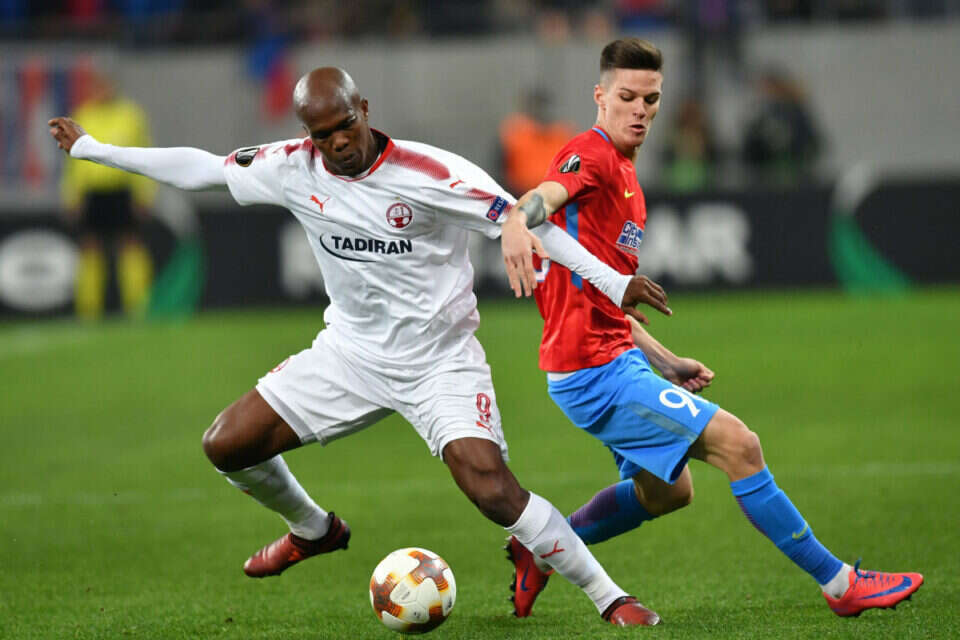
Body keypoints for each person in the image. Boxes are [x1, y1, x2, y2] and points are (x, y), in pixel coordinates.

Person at [48, 67, 674, 627]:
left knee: (493, 491)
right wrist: (94, 150)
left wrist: (613, 282)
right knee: (226, 444)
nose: (338, 142)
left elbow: (528, 221)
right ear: (308, 134)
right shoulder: (291, 165)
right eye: (322, 134)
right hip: (349, 356)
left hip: (440, 361)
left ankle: (610, 598)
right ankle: (313, 529)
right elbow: (203, 169)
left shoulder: (432, 174)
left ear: (365, 110)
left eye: (345, 125)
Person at [500, 38, 923, 622]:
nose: (640, 110)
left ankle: (541, 548)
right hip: (593, 374)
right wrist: (517, 219)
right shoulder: (589, 156)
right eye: (627, 97)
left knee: (667, 492)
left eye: (651, 99)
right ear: (600, 97)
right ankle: (840, 583)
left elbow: (597, 299)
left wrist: (663, 358)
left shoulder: (625, 173)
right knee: (740, 445)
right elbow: (544, 197)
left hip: (613, 358)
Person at [60, 67, 155, 320]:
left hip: (122, 190)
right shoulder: (83, 116)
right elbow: (73, 162)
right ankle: (89, 311)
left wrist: (144, 194)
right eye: (97, 86)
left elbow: (144, 155)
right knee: (90, 248)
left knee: (130, 245)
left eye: (105, 85)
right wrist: (72, 196)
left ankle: (139, 308)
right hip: (93, 191)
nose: (102, 91)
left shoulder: (131, 116)